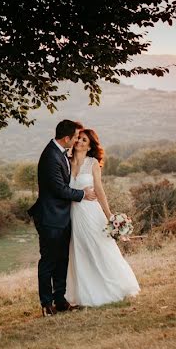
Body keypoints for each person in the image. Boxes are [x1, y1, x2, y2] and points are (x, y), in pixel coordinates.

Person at [28, 119, 97, 317]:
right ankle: (46, 304)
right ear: (66, 138)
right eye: (75, 137)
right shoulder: (50, 156)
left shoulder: (60, 153)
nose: (76, 141)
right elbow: (58, 189)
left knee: (62, 260)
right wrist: (83, 194)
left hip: (63, 217)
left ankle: (60, 300)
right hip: (50, 217)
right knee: (49, 261)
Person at [65, 127, 140, 307]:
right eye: (78, 138)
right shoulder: (65, 161)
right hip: (72, 214)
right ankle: (85, 293)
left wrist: (110, 216)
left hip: (91, 213)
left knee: (99, 248)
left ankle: (116, 287)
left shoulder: (92, 163)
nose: (79, 142)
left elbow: (99, 190)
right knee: (79, 251)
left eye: (84, 140)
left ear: (90, 146)